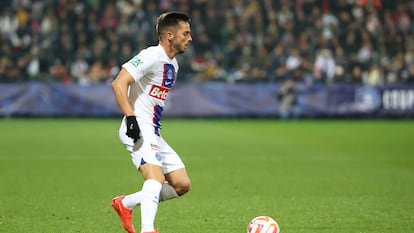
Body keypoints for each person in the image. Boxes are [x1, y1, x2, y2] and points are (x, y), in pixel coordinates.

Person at [110, 12, 192, 233]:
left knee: (182, 184)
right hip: (137, 127)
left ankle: (125, 203)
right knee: (155, 179)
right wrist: (131, 118)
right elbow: (119, 84)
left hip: (154, 132)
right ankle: (148, 229)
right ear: (169, 35)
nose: (190, 38)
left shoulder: (173, 65)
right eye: (185, 33)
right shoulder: (151, 55)